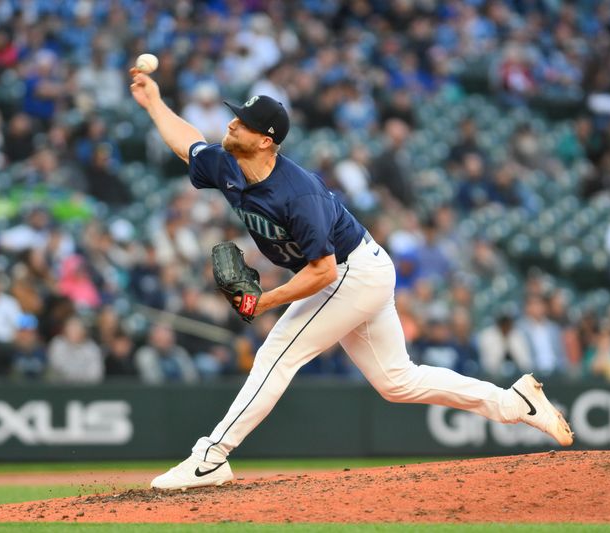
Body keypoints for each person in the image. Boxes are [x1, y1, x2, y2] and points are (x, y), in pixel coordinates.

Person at [129, 68, 573, 491]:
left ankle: (211, 456)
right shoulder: (228, 164)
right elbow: (188, 144)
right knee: (397, 381)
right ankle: (517, 403)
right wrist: (153, 102)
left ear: (266, 141)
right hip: (360, 271)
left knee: (278, 354)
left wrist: (264, 303)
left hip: (350, 271)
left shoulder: (298, 193)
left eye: (241, 122)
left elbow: (322, 271)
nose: (231, 123)